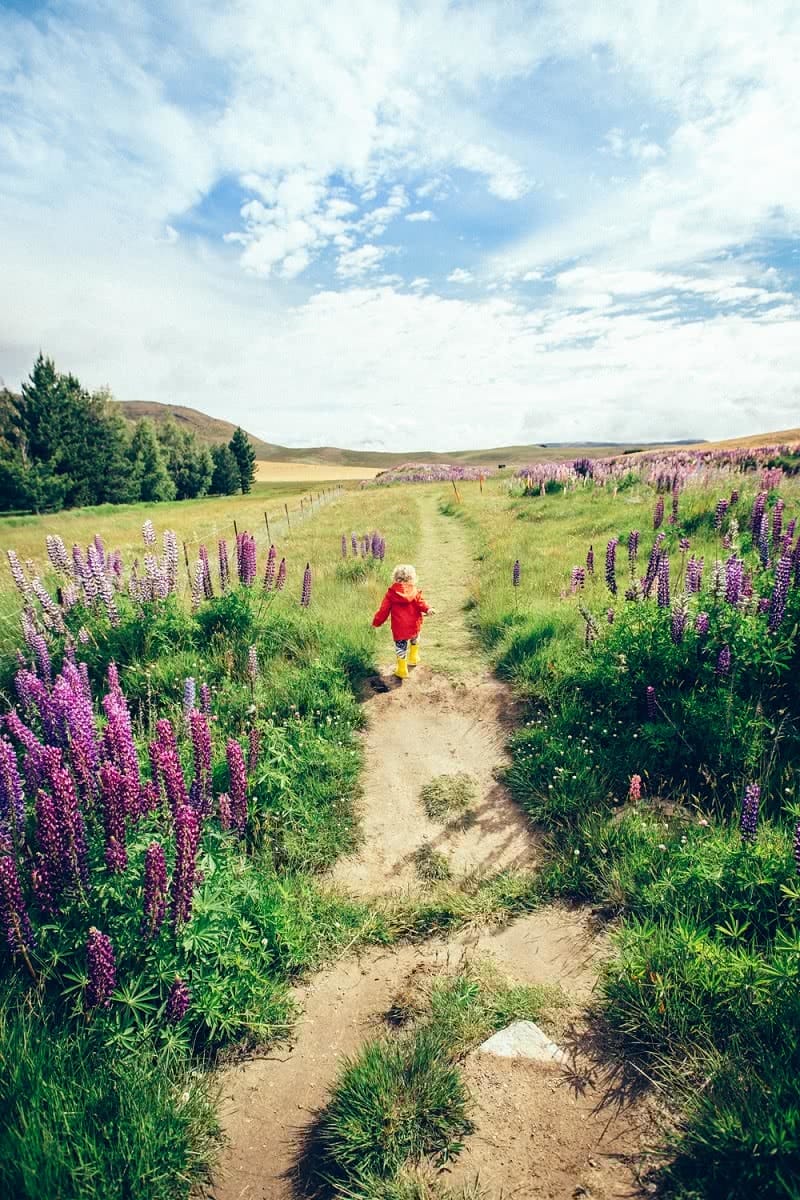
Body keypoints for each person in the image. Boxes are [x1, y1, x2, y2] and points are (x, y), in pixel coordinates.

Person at [372, 564, 434, 679]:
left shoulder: (391, 594)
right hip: (414, 625)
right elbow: (421, 603)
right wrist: (428, 609)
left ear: (395, 578)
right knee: (415, 640)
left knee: (401, 647)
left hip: (399, 628)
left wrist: (376, 622)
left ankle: (402, 669)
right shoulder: (414, 591)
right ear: (411, 578)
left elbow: (383, 611)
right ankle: (414, 658)